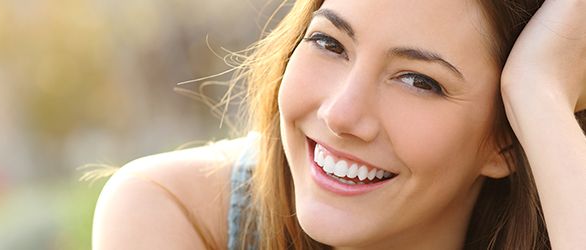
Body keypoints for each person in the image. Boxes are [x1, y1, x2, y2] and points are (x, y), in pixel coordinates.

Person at [92, 0, 586, 249]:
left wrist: (539, 92)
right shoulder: (177, 213)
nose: (340, 114)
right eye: (329, 44)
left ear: (508, 144)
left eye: (417, 80)